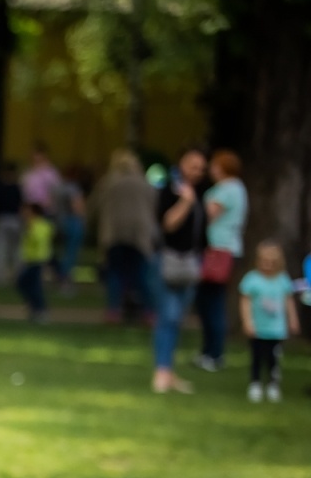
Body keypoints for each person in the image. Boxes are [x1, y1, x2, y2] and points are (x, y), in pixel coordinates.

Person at [151, 148, 209, 394]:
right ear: (181, 164)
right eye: (192, 165)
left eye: (201, 167)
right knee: (168, 316)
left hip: (191, 262)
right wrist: (185, 202)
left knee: (177, 319)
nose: (197, 171)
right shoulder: (169, 190)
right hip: (168, 261)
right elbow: (168, 224)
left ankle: (169, 370)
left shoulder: (203, 193)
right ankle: (161, 372)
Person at [194, 149, 248, 371]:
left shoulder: (227, 190)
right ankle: (210, 350)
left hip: (219, 250)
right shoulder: (239, 189)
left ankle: (214, 353)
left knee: (211, 302)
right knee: (210, 300)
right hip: (227, 248)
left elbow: (207, 215)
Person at [90, 149, 156, 323]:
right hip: (139, 234)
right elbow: (155, 206)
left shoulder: (108, 182)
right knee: (141, 274)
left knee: (115, 273)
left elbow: (94, 206)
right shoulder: (144, 184)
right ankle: (148, 312)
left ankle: (113, 311)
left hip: (113, 233)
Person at [239, 240, 298, 403]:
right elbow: (245, 302)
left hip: (276, 329)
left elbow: (288, 301)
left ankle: (273, 384)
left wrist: (293, 319)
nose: (268, 266)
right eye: (264, 262)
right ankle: (255, 384)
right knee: (257, 357)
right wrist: (247, 322)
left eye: (272, 263)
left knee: (274, 358)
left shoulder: (282, 280)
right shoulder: (252, 280)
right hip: (258, 328)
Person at [0, 161, 23, 288]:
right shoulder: (16, 187)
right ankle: (16, 276)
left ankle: (1, 277)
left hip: (3, 220)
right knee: (14, 250)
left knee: (1, 249)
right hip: (12, 220)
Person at [17, 200, 52, 322]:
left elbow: (39, 240)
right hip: (30, 260)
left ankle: (39, 310)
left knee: (33, 286)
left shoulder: (40, 225)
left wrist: (30, 230)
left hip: (37, 260)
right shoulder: (30, 224)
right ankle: (35, 307)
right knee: (26, 284)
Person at [54, 166, 87, 294]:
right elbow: (77, 206)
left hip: (61, 222)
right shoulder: (73, 188)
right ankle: (65, 279)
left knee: (65, 252)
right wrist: (83, 218)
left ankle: (62, 277)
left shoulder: (58, 187)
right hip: (73, 222)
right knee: (71, 253)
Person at [22, 142, 61, 217]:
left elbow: (56, 190)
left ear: (44, 155)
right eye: (33, 153)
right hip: (30, 209)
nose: (34, 156)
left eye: (37, 154)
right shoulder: (29, 171)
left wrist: (49, 202)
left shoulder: (50, 172)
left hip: (44, 209)